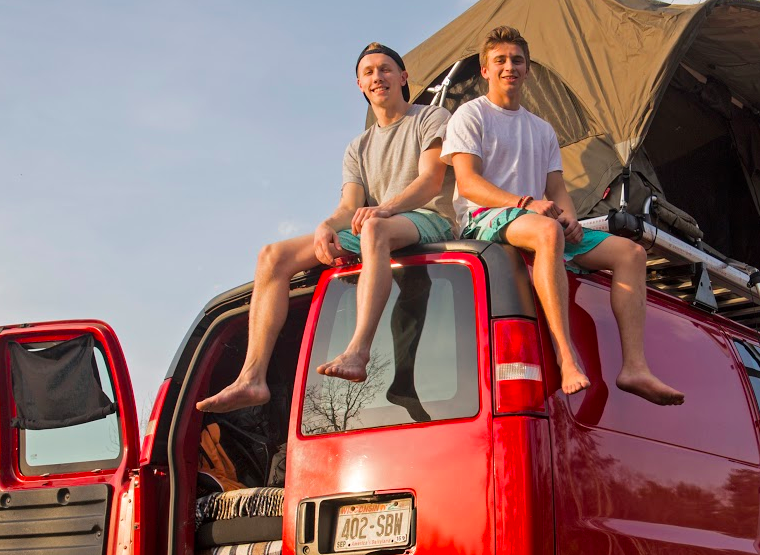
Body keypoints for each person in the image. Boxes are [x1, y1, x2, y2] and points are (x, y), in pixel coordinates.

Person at [196, 43, 453, 413]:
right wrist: (325, 226)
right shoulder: (358, 147)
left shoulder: (431, 118)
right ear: (359, 85)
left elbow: (431, 181)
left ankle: (358, 351)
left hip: (428, 218)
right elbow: (349, 207)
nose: (377, 77)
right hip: (379, 222)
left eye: (385, 69)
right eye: (368, 72)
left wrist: (381, 210)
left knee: (373, 231)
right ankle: (252, 379)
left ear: (403, 77)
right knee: (273, 256)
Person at [443, 26, 684, 406]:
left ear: (528, 69)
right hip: (484, 220)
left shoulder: (541, 129)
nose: (510, 67)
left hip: (532, 218)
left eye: (517, 60)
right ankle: (565, 354)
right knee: (546, 232)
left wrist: (571, 218)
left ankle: (635, 367)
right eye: (500, 60)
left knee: (631, 254)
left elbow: (556, 191)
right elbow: (469, 183)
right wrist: (526, 204)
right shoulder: (469, 116)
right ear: (485, 69)